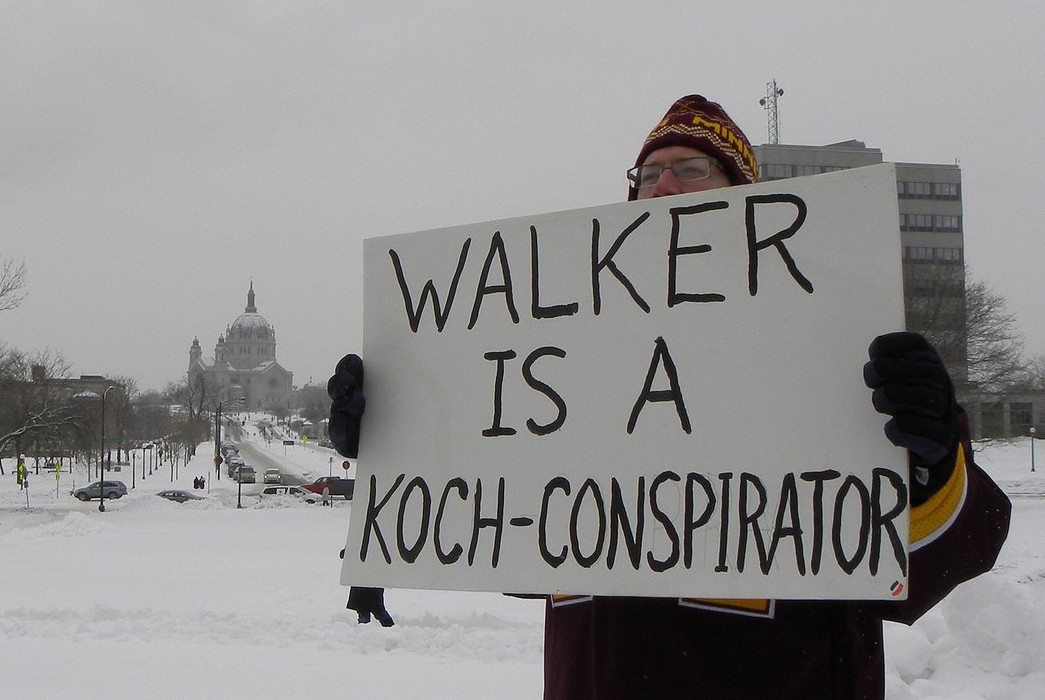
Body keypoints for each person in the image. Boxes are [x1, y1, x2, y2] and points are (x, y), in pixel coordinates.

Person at [326, 95, 1012, 699]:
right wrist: (403, 438)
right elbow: (518, 536)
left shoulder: (833, 350)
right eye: (649, 175)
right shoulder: (577, 366)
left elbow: (945, 557)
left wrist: (931, 455)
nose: (663, 188)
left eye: (691, 170)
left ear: (746, 198)